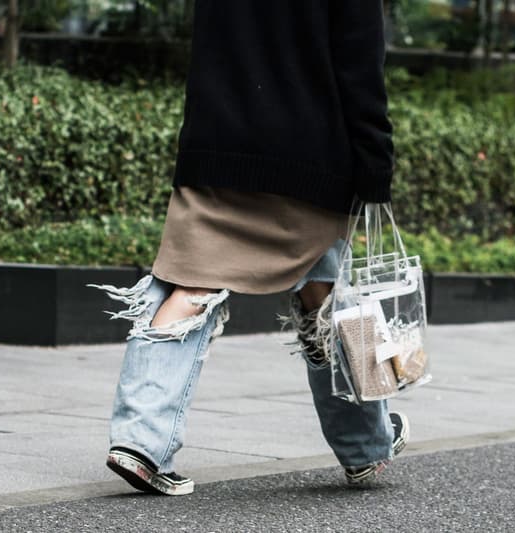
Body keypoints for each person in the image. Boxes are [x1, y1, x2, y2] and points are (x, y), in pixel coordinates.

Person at [90, 1, 409, 496]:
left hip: (217, 147)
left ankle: (139, 441)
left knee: (193, 283)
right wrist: (376, 163)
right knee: (329, 301)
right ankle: (366, 447)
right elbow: (359, 67)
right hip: (311, 156)